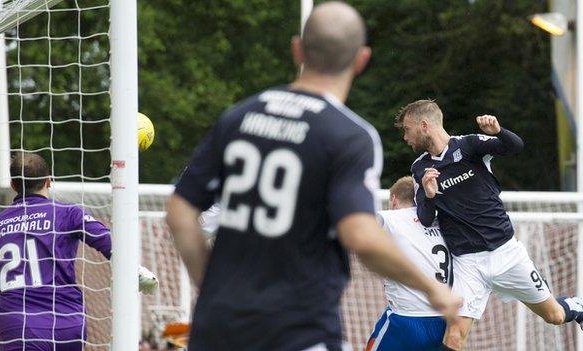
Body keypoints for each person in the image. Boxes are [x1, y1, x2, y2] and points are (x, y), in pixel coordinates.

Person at [165, 3, 461, 351]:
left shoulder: (238, 117)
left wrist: (209, 283)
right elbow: (361, 237)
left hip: (218, 326)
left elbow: (179, 212)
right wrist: (431, 288)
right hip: (296, 329)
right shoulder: (349, 135)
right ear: (361, 59)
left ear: (297, 49)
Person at [397, 99, 583, 350]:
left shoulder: (470, 145)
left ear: (424, 125)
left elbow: (515, 146)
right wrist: (429, 196)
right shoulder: (420, 168)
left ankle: (577, 306)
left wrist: (498, 132)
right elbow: (426, 218)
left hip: (507, 253)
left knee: (555, 316)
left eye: (407, 129)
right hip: (468, 263)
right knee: (454, 337)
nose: (405, 137)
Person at [0, 152, 158, 351]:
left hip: (19, 328)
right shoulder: (68, 213)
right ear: (49, 181)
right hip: (66, 325)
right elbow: (110, 244)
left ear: (13, 185)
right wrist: (137, 270)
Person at [365, 176, 451, 351]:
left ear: (394, 200)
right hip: (446, 320)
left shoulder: (390, 218)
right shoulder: (443, 221)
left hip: (407, 320)